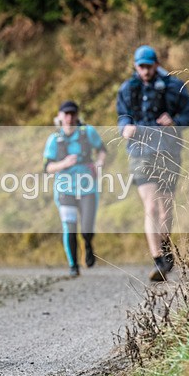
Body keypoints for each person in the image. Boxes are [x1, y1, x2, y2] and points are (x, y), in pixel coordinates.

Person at [116, 45, 189, 282]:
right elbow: (122, 116)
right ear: (135, 66)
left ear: (156, 65)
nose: (144, 71)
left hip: (168, 151)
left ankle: (165, 248)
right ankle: (158, 259)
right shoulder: (127, 89)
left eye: (148, 66)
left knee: (166, 208)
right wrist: (125, 128)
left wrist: (175, 121)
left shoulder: (174, 86)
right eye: (140, 66)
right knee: (150, 206)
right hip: (140, 153)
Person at [43, 101, 107, 277]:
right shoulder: (54, 139)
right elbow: (47, 167)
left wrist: (99, 163)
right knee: (69, 226)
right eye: (66, 114)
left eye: (73, 114)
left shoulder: (88, 132)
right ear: (60, 116)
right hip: (65, 190)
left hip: (88, 188)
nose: (70, 118)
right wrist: (64, 163)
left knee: (87, 226)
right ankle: (73, 266)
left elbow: (102, 150)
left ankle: (87, 244)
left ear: (77, 115)